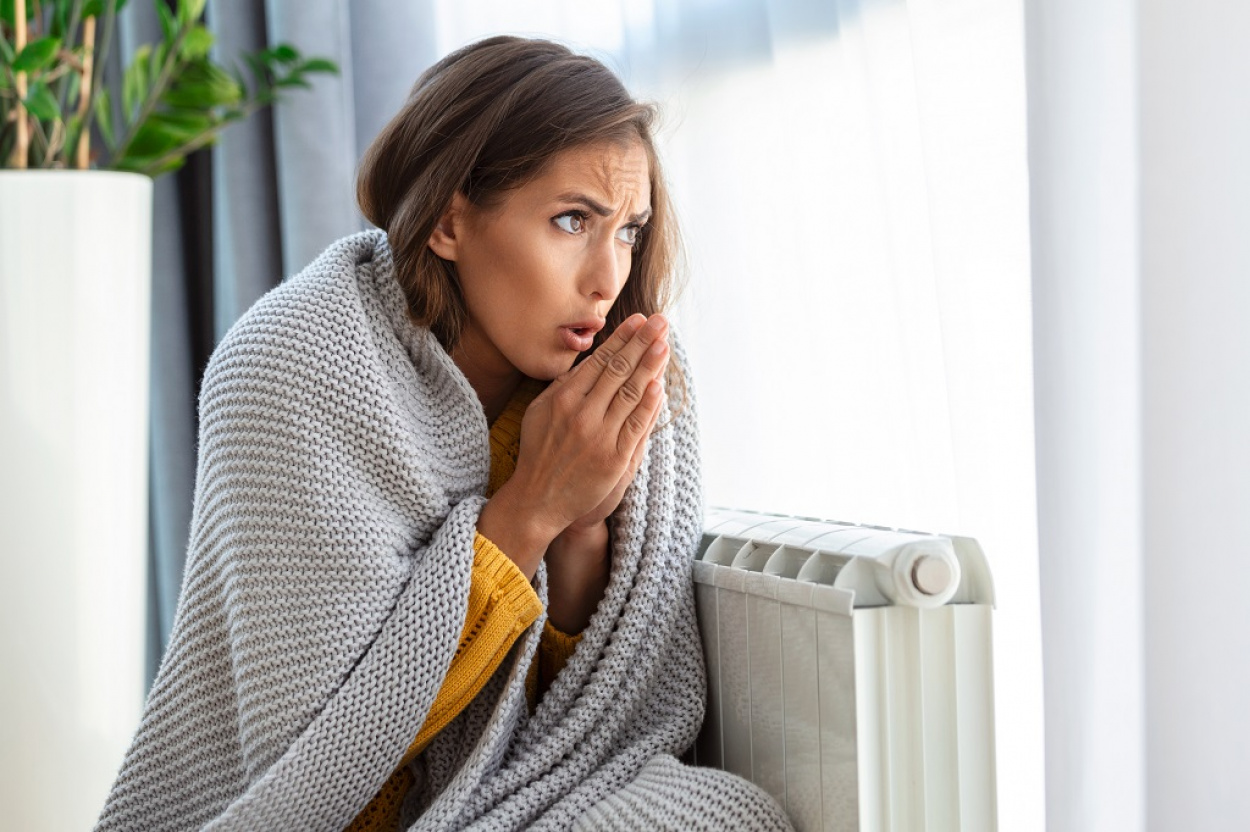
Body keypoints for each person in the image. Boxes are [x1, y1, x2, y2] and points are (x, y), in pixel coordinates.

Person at [96, 36, 792, 831]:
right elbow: (322, 757)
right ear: (449, 220)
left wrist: (585, 525)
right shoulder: (290, 361)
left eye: (628, 231)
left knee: (728, 812)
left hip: (515, 792)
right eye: (572, 220)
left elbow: (597, 718)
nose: (609, 278)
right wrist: (530, 507)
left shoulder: (615, 382)